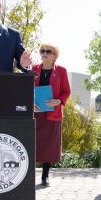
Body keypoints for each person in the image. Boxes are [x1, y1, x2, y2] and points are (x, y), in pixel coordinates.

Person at [33, 43, 71, 186]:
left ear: (55, 55)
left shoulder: (61, 71)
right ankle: (28, 175)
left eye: (48, 51)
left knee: (49, 145)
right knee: (33, 142)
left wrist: (58, 101)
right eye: (42, 51)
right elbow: (26, 89)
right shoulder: (33, 69)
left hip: (52, 113)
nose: (44, 53)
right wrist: (31, 102)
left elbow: (66, 91)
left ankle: (45, 176)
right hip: (35, 112)